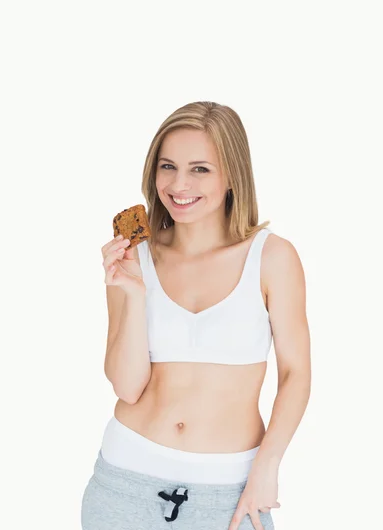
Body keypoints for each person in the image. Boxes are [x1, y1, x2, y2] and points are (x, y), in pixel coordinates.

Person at [81, 101, 311, 530]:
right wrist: (131, 292)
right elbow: (127, 386)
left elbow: (296, 373)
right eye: (167, 166)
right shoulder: (134, 255)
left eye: (200, 169)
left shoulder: (272, 257)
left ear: (231, 175)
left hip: (229, 494)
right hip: (124, 484)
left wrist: (268, 466)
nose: (179, 184)